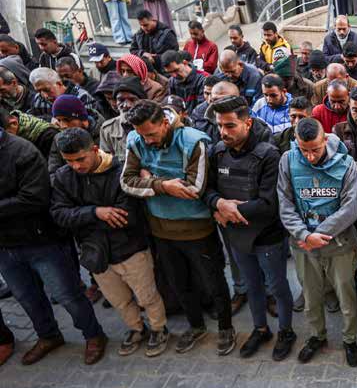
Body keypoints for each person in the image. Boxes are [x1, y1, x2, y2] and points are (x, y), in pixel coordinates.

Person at [120, 100, 236, 354]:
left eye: (151, 134)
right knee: (179, 283)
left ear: (165, 122)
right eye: (142, 135)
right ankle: (196, 326)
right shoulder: (135, 140)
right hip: (160, 230)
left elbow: (194, 188)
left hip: (197, 229)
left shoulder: (194, 141)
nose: (147, 141)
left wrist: (149, 179)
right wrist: (165, 185)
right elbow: (126, 182)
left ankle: (226, 327)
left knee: (213, 279)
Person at [50, 126, 169, 357]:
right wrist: (96, 212)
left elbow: (126, 216)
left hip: (130, 250)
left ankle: (158, 328)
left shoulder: (121, 171)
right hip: (96, 254)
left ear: (94, 149)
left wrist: (81, 216)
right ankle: (136, 329)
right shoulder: (64, 177)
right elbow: (59, 215)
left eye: (80, 159)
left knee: (147, 297)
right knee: (119, 301)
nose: (76, 166)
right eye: (69, 161)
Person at [0, 112, 108, 365]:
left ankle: (93, 335)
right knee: (26, 296)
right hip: (5, 245)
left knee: (67, 294)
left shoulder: (21, 151)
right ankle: (48, 335)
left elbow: (33, 198)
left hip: (40, 239)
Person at [204, 96, 296, 360]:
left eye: (230, 125)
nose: (224, 132)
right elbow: (206, 189)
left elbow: (269, 203)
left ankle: (286, 331)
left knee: (277, 287)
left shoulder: (269, 154)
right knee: (252, 286)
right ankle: (261, 328)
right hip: (237, 236)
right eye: (220, 125)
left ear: (248, 123)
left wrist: (231, 211)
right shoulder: (217, 151)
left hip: (268, 236)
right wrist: (218, 203)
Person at [29, 67, 99, 122]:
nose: (45, 95)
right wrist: (50, 120)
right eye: (39, 91)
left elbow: (90, 121)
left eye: (47, 90)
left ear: (59, 83)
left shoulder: (81, 96)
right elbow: (29, 118)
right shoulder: (38, 99)